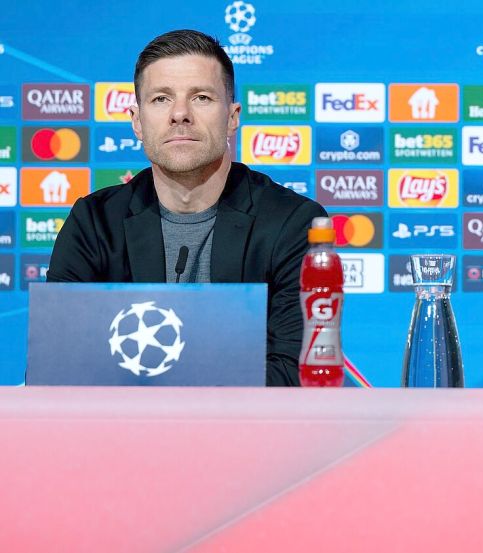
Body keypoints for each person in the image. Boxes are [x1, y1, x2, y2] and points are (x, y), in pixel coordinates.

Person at [47, 30, 326, 386]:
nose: (180, 114)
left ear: (232, 116)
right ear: (136, 121)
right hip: (122, 438)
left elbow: (295, 375)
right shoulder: (94, 223)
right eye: (161, 99)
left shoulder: (292, 224)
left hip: (248, 438)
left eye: (202, 98)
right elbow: (57, 370)